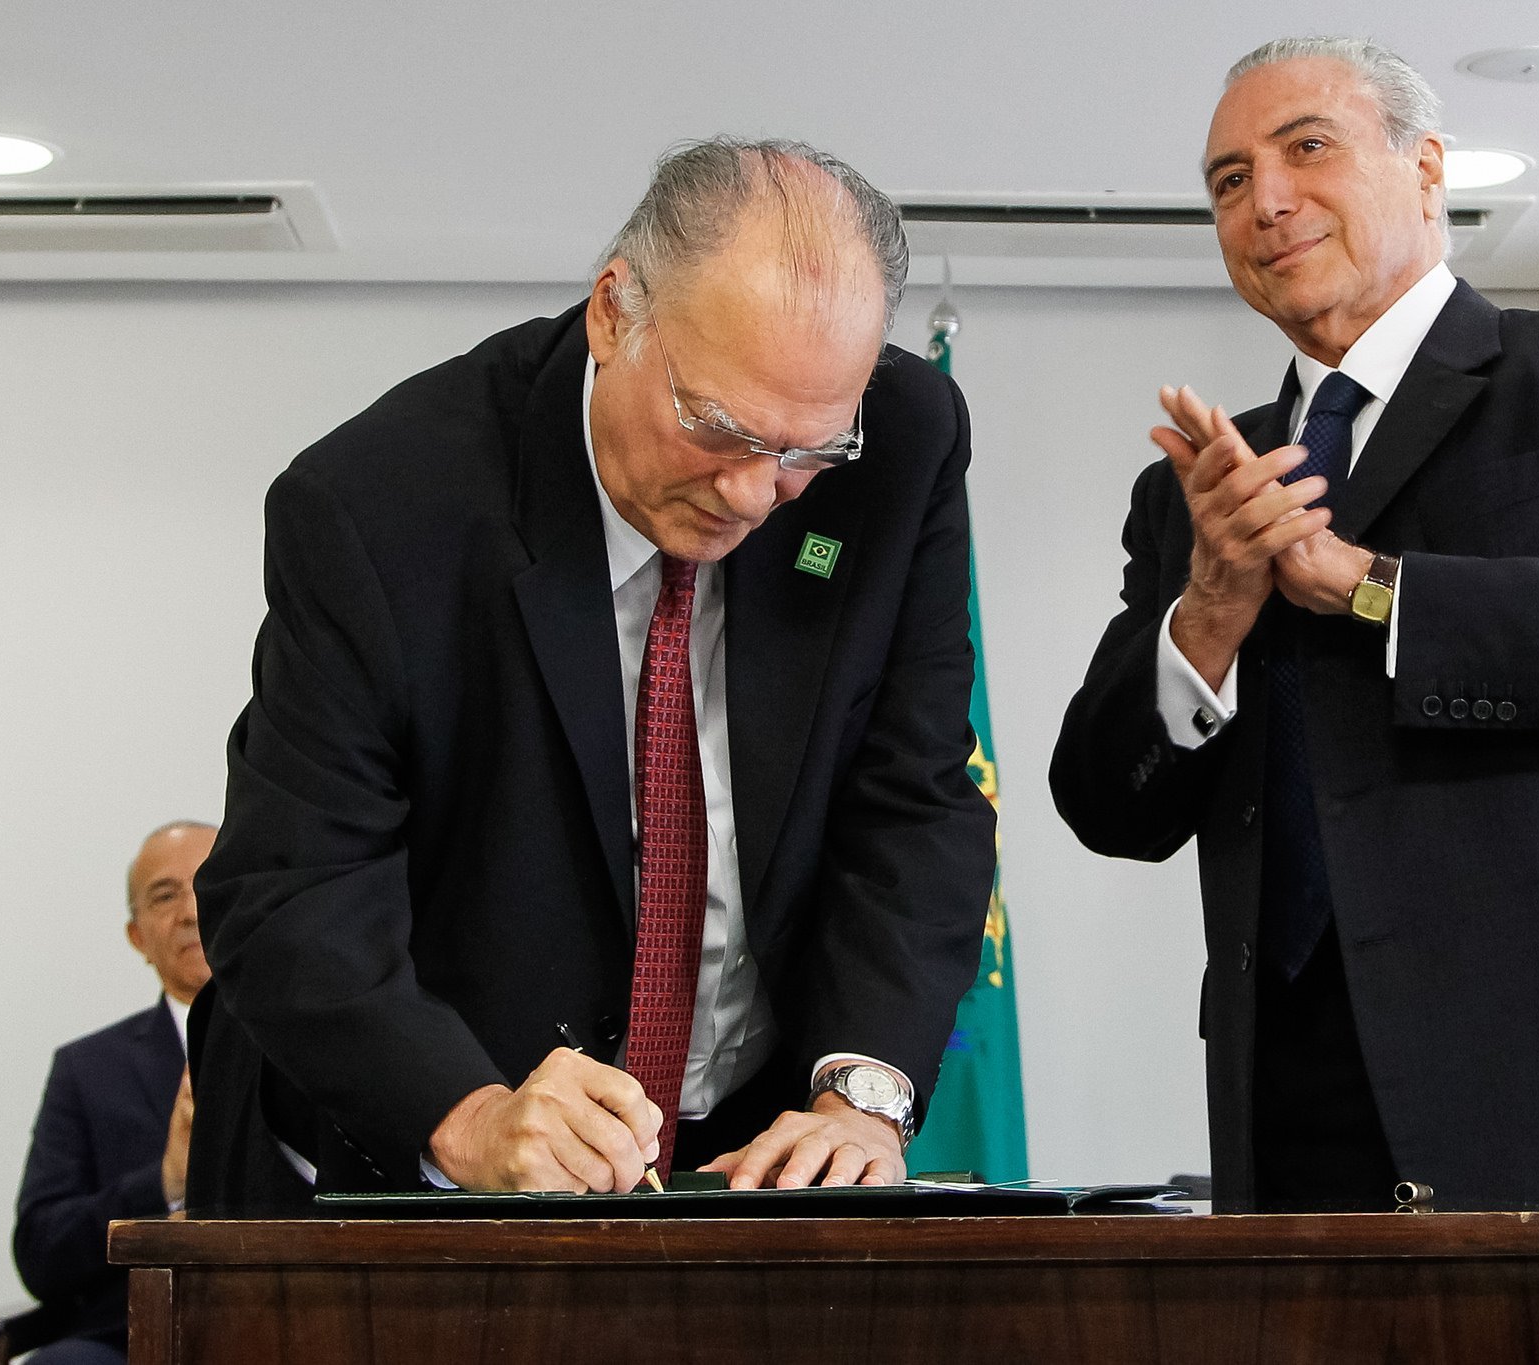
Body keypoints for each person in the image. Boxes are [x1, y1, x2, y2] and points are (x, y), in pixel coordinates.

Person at [1048, 37, 1539, 1365]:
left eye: (1308, 148)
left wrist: (1359, 584)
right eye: (1228, 180)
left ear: (1426, 168)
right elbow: (1105, 801)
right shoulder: (1197, 489)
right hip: (1305, 1131)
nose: (1267, 202)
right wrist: (1212, 614)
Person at [186, 137, 994, 1211]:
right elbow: (290, 892)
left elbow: (915, 800)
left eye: (807, 450)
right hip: (447, 1154)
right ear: (614, 311)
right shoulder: (381, 506)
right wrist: (469, 1119)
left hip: (753, 1148)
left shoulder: (900, 447)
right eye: (720, 428)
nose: (756, 495)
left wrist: (860, 1096)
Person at [12, 821, 215, 1365]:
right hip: (127, 1337)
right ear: (137, 937)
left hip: (294, 1322)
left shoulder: (316, 1050)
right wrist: (164, 1184)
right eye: (165, 895)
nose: (192, 912)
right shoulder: (87, 1069)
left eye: (208, 883)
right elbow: (39, 1251)